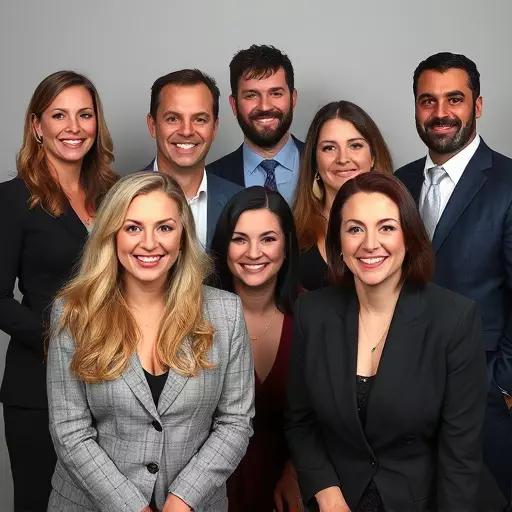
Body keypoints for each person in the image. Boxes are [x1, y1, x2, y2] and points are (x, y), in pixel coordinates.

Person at [46, 171, 254, 512]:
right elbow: (70, 431)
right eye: (133, 228)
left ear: (182, 237)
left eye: (164, 228)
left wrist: (183, 499)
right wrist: (133, 507)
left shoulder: (225, 312)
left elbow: (235, 422)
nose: (149, 243)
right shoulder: (73, 313)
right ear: (112, 235)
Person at [285, 172, 487, 512]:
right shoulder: (312, 313)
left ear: (408, 236)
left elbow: (461, 456)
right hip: (337, 500)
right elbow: (300, 422)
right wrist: (327, 493)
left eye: (386, 228)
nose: (370, 244)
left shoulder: (455, 320)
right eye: (355, 229)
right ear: (338, 242)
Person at [395, 51, 512, 509]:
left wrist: (502, 384)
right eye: (428, 100)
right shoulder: (400, 183)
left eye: (454, 99)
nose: (440, 112)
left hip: (483, 391)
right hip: (404, 393)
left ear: (477, 105)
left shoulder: (507, 182)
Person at [0, 70, 117, 511]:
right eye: (59, 115)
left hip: (112, 384)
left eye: (84, 115)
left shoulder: (115, 194)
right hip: (39, 387)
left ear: (97, 123)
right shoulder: (11, 199)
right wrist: (62, 343)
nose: (73, 127)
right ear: (37, 125)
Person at [210, 186, 301, 512]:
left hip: (293, 493)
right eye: (240, 239)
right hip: (208, 489)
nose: (253, 252)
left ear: (287, 245)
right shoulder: (194, 316)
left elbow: (332, 417)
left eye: (268, 239)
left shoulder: (314, 316)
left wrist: (297, 469)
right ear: (224, 245)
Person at [292, 101, 393, 292]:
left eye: (355, 145)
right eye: (329, 148)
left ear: (373, 157)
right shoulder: (293, 232)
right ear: (314, 161)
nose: (343, 159)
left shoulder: (401, 224)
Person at [143, 69, 242, 249]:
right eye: (173, 119)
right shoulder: (120, 200)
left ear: (214, 128)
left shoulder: (238, 201)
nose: (187, 131)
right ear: (152, 125)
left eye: (200, 119)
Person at [207, 45, 304, 203]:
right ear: (234, 105)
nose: (265, 107)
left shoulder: (323, 165)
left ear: (293, 99)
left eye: (276, 93)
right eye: (251, 95)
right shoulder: (210, 179)